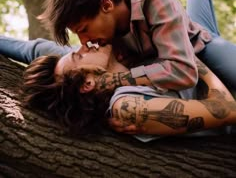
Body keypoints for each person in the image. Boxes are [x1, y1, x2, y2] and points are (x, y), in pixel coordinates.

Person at [38, 0, 236, 94]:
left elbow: (183, 71)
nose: (83, 42)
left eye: (83, 29)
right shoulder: (102, 40)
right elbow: (38, 50)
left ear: (106, 6)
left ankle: (198, 1)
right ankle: (195, 4)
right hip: (178, 31)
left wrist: (112, 80)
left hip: (200, 44)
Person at [16, 43, 236, 142]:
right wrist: (188, 52)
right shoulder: (126, 107)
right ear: (88, 84)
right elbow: (227, 110)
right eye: (78, 55)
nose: (83, 46)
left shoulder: (135, 68)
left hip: (219, 67)